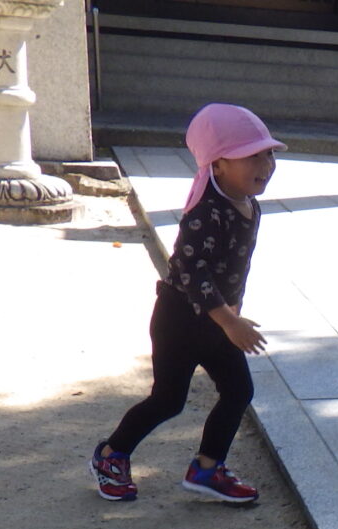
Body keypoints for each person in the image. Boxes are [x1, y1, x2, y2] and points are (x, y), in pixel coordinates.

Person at [90, 103, 284, 504]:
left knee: (238, 391)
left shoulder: (250, 205)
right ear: (218, 165)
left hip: (218, 320)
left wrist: (230, 316)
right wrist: (229, 321)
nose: (265, 165)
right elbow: (191, 270)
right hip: (179, 320)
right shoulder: (206, 212)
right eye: (252, 156)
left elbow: (230, 269)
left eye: (268, 154)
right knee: (168, 400)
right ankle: (110, 455)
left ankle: (207, 468)